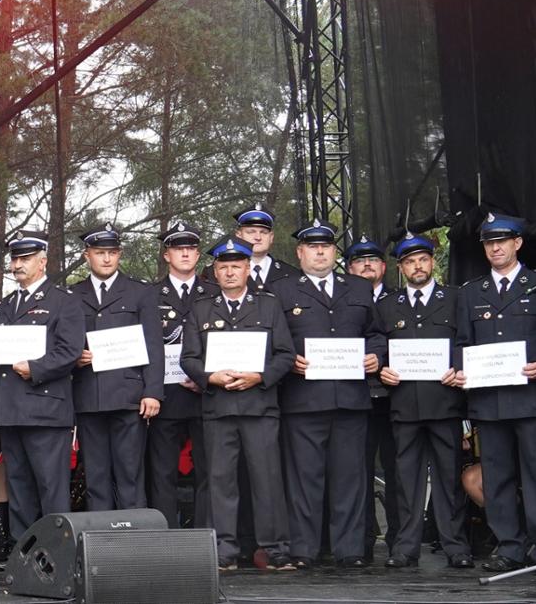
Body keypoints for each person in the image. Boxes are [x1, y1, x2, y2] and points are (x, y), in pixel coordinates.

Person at [448, 213, 536, 572]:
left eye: (501, 241)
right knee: (497, 478)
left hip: (530, 399)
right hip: (488, 401)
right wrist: (460, 369)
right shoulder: (469, 293)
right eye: (488, 243)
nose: (495, 248)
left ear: (517, 243)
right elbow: (462, 343)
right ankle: (509, 546)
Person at [270, 221, 382, 568]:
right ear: (300, 253)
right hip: (303, 400)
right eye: (312, 247)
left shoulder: (360, 288)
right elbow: (272, 342)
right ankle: (305, 549)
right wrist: (289, 363)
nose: (320, 252)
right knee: (305, 479)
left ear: (335, 252)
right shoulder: (281, 291)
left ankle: (349, 550)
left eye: (326, 246)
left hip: (350, 398)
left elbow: (377, 333)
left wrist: (377, 356)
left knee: (350, 477)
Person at [180, 238, 296, 571]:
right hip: (218, 409)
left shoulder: (269, 306)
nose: (230, 272)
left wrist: (259, 377)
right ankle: (224, 551)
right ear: (215, 271)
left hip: (260, 406)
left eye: (236, 266)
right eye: (223, 267)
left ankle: (275, 550)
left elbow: (285, 354)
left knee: (267, 481)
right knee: (220, 482)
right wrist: (209, 377)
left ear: (248, 269)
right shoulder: (201, 308)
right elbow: (189, 358)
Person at [372, 233, 473, 569]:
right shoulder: (387, 306)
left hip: (445, 402)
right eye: (410, 261)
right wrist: (381, 370)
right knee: (405, 481)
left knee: (448, 479)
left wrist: (460, 369)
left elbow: (466, 342)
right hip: (404, 406)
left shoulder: (456, 299)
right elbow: (378, 348)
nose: (418, 266)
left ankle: (455, 546)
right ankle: (405, 548)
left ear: (432, 262)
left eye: (423, 259)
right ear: (401, 268)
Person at [0, 233, 84, 550]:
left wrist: (37, 368)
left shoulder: (64, 301)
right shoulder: (4, 305)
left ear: (43, 262)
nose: (17, 264)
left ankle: (58, 556)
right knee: (19, 488)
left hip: (45, 409)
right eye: (15, 259)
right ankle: (24, 554)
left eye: (25, 258)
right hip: (12, 409)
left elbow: (70, 351)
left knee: (51, 489)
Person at [66, 223, 163, 512]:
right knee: (95, 475)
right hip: (87, 396)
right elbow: (63, 344)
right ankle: (103, 544)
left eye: (112, 252)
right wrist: (75, 357)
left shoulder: (141, 292)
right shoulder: (72, 295)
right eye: (100, 253)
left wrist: (153, 392)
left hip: (129, 397)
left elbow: (153, 345)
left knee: (130, 473)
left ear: (119, 255)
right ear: (87, 256)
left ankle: (135, 545)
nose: (106, 259)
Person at [146, 222, 216, 529]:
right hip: (166, 397)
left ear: (198, 254)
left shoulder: (213, 294)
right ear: (166, 255)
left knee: (209, 471)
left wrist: (207, 377)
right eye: (178, 248)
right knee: (162, 472)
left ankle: (205, 537)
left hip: (207, 395)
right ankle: (165, 539)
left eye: (190, 248)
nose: (185, 253)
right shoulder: (149, 295)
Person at [347, 236, 401, 559]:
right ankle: (364, 539)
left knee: (397, 473)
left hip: (395, 400)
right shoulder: (342, 301)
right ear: (350, 268)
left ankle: (398, 540)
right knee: (358, 473)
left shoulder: (399, 301)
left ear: (383, 267)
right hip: (358, 400)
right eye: (359, 261)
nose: (367, 265)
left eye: (373, 261)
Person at [235, 204, 300, 292]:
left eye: (263, 232)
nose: (258, 237)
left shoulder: (292, 274)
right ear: (239, 236)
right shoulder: (221, 275)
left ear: (271, 237)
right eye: (251, 232)